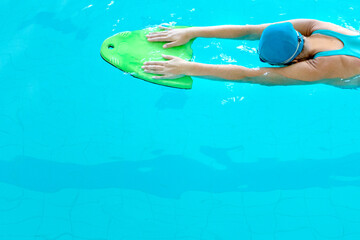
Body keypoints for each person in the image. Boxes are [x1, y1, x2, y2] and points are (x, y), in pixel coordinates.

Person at [142, 19, 360, 87]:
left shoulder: (318, 67)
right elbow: (249, 31)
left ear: (293, 60)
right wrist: (192, 32)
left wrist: (187, 67)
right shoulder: (315, 27)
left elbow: (251, 75)